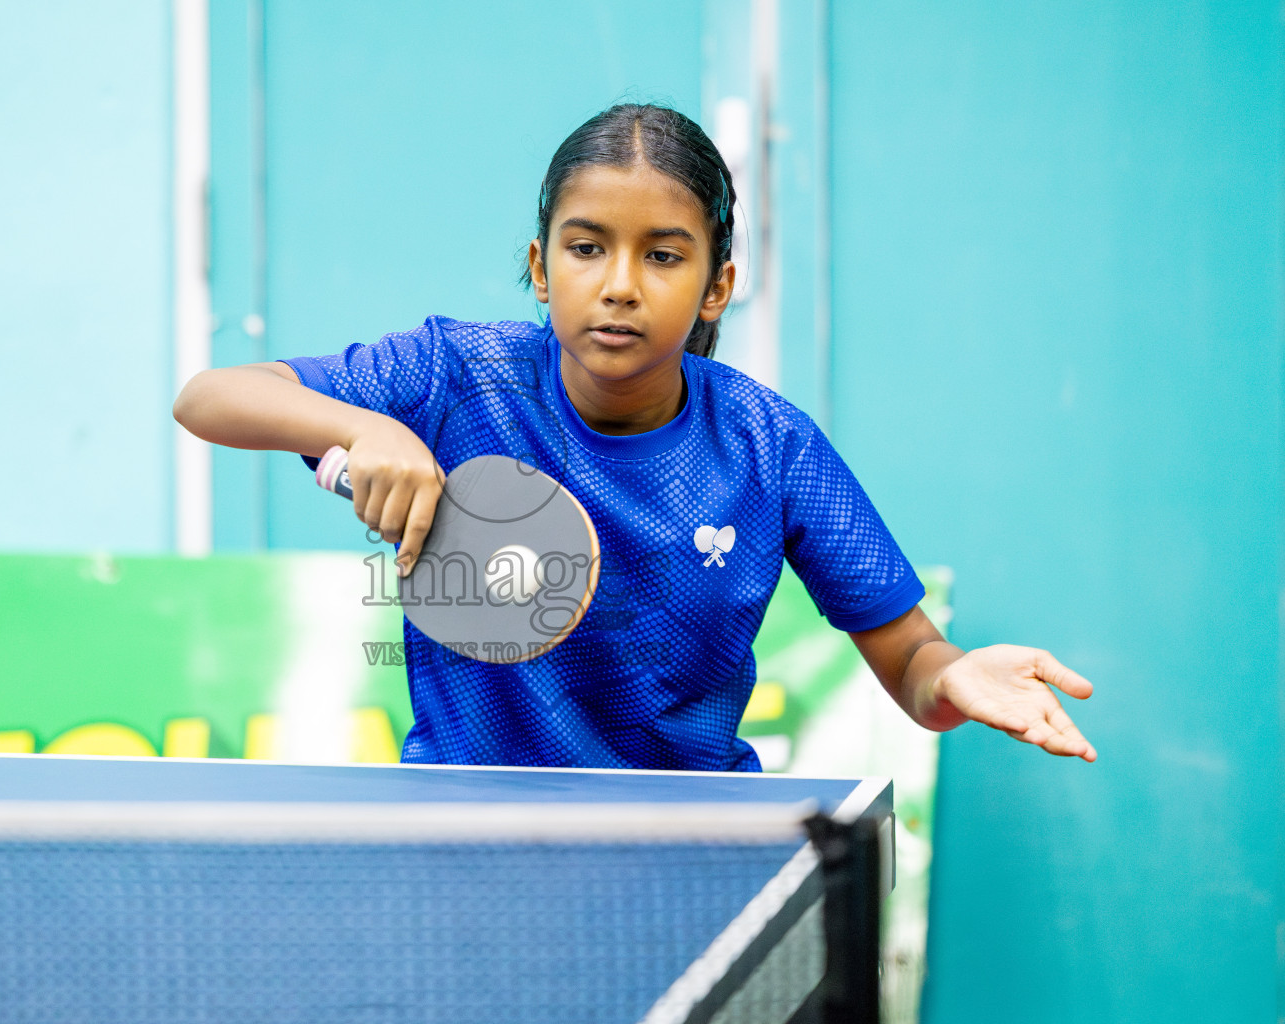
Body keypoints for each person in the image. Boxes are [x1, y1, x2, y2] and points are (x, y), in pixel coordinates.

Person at [174, 103, 1096, 772]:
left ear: (715, 285)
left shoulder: (769, 448)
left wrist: (954, 679)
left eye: (662, 255)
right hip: (460, 836)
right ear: (541, 267)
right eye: (587, 248)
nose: (620, 284)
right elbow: (211, 396)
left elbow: (909, 663)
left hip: (687, 845)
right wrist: (363, 426)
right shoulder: (458, 376)